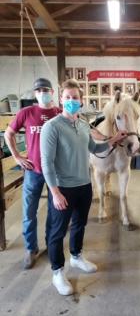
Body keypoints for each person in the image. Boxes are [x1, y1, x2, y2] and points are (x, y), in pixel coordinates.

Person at [40, 79, 127, 296]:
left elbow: (94, 147)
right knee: (57, 231)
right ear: (61, 100)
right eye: (67, 97)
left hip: (84, 186)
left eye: (75, 98)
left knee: (79, 224)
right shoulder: (52, 127)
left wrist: (113, 140)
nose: (71, 101)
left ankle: (76, 256)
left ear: (81, 101)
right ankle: (57, 271)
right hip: (63, 188)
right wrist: (55, 192)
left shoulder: (82, 125)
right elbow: (46, 163)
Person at [4, 78, 61, 269]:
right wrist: (17, 156)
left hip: (55, 172)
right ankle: (31, 249)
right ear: (35, 94)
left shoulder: (60, 113)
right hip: (33, 171)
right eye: (38, 90)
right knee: (29, 213)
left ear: (52, 92)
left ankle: (51, 246)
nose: (42, 92)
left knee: (55, 212)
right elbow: (8, 133)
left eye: (45, 89)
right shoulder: (26, 112)